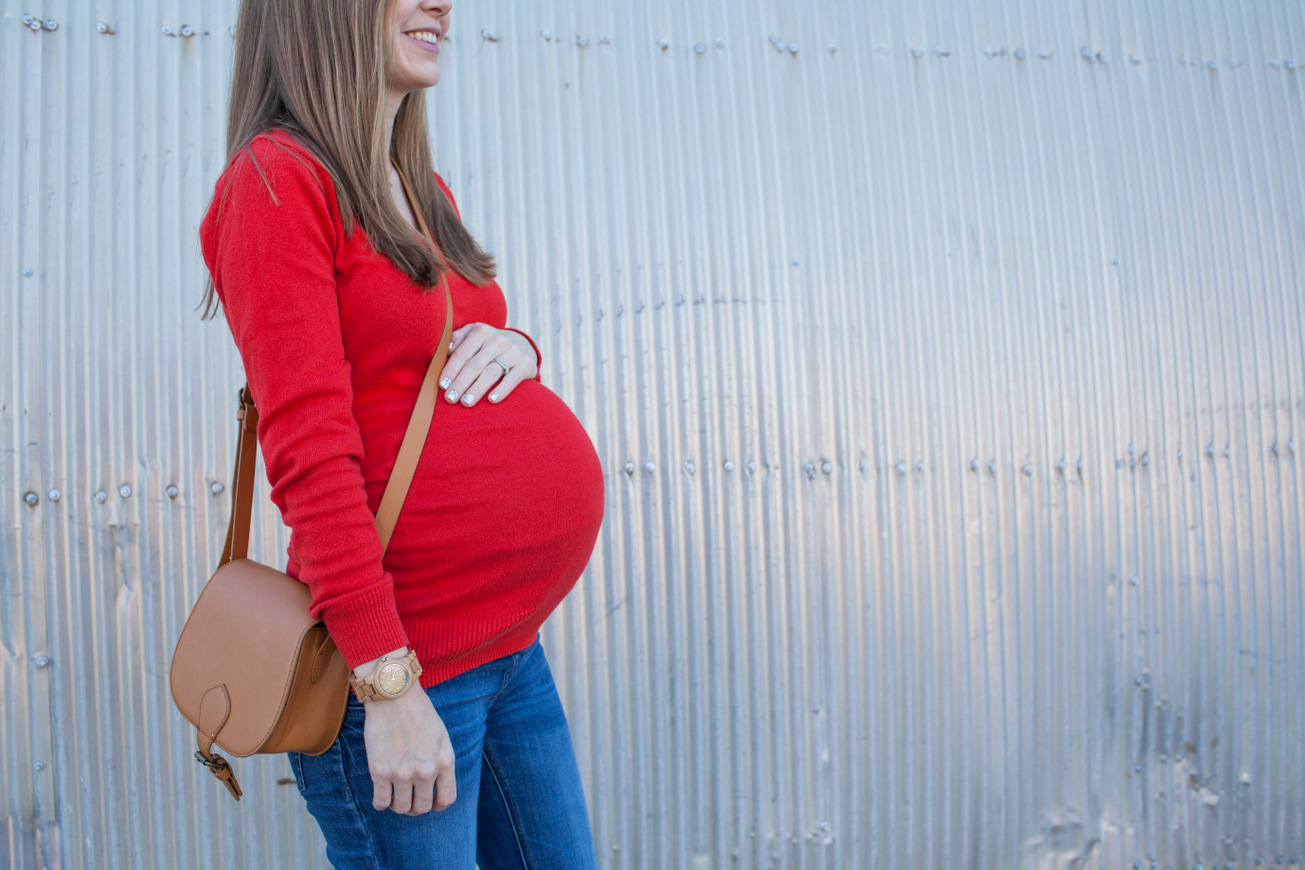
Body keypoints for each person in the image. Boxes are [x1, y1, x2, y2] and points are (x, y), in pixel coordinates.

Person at [197, 0, 605, 866]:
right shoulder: (276, 184)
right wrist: (386, 680)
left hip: (506, 652)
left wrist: (516, 346)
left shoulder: (415, 184)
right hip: (405, 671)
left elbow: (432, 350)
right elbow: (308, 454)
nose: (440, 3)